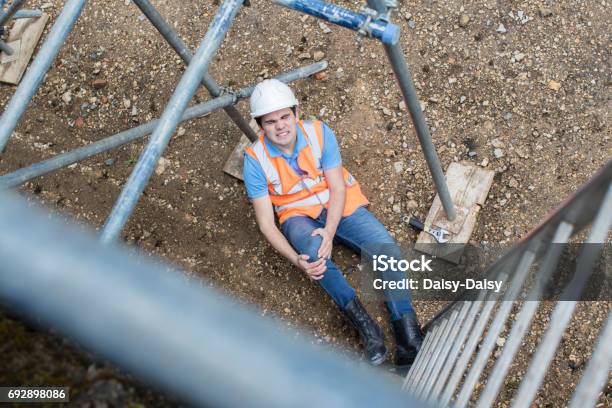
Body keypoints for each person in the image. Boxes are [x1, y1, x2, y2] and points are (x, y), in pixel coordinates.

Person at [242, 79, 423, 369]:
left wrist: (329, 230)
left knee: (387, 250)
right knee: (314, 259)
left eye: (285, 117)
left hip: (339, 203)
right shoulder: (254, 159)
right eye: (270, 121)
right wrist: (298, 261)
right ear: (260, 126)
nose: (280, 126)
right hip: (298, 214)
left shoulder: (318, 133)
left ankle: (407, 334)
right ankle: (367, 328)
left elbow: (337, 188)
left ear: (296, 113)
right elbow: (266, 224)